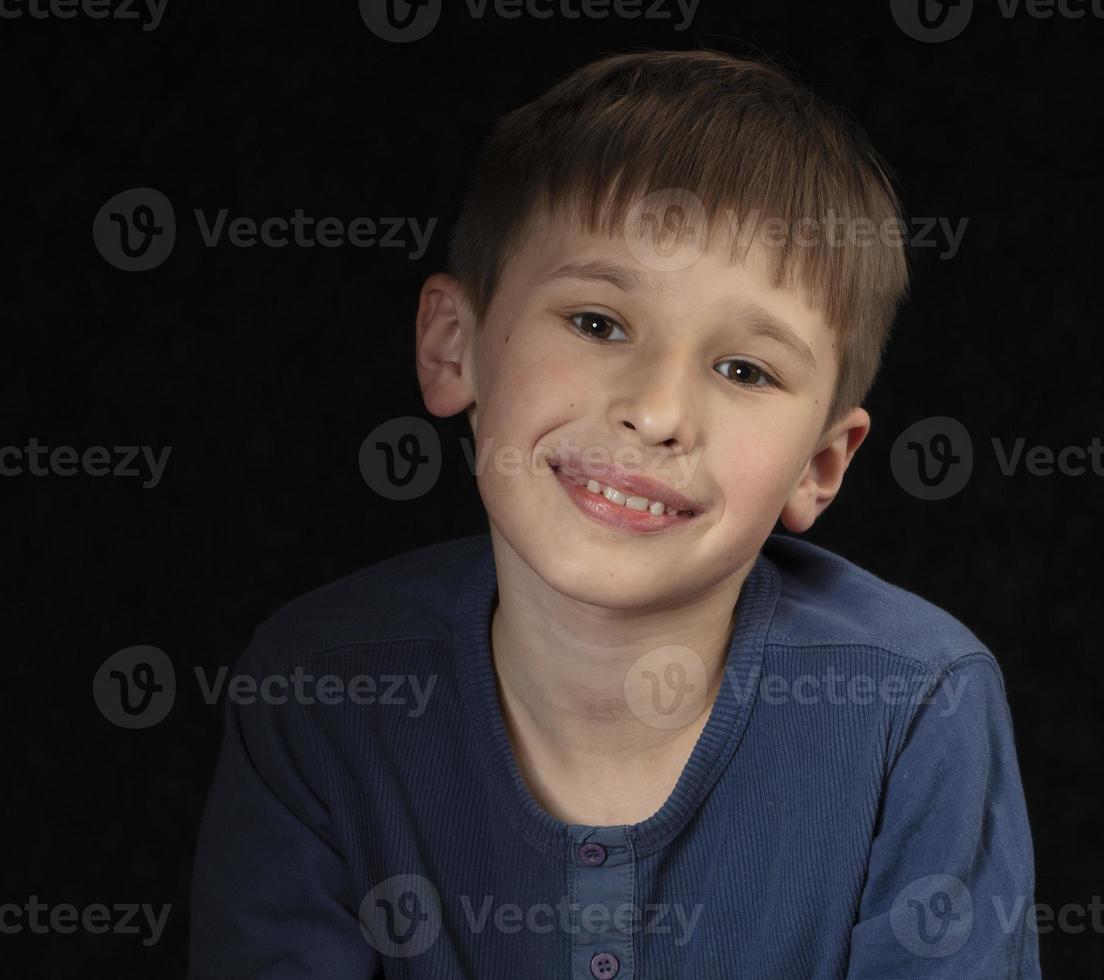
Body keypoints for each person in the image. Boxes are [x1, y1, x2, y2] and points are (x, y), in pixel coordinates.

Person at [188, 48, 1041, 979]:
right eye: (597, 323)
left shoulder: (913, 705)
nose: (658, 412)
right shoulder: (320, 690)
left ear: (822, 465)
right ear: (453, 347)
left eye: (745, 369)